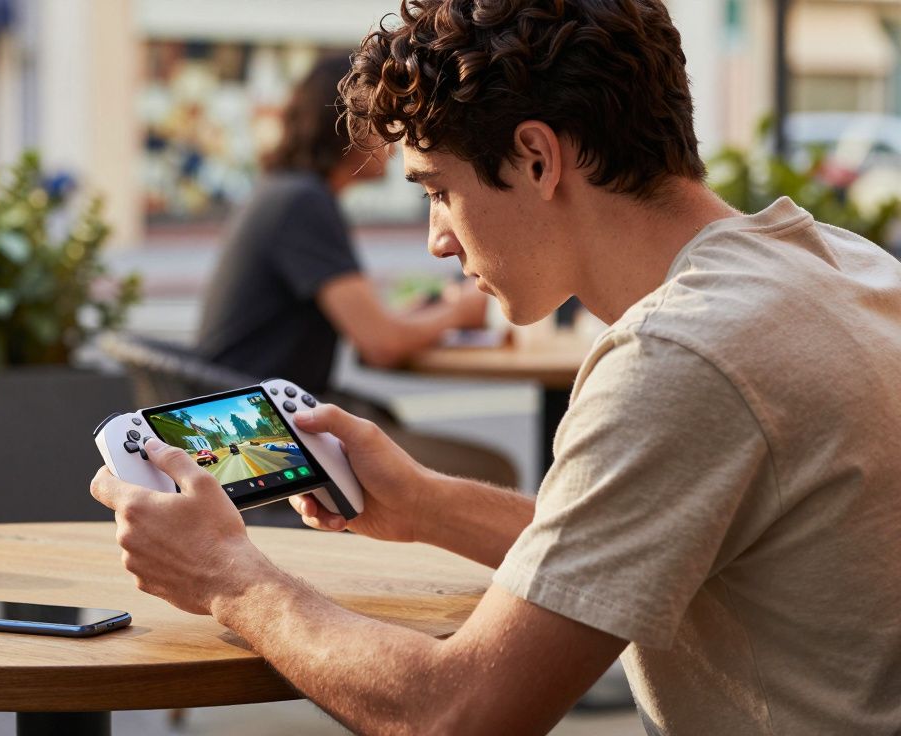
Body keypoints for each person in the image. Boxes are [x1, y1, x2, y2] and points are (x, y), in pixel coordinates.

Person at [92, 1, 901, 733]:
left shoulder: (679, 356)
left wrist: (231, 579)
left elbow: (456, 712)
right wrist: (425, 504)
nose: (438, 240)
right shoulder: (842, 264)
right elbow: (628, 545)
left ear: (537, 158)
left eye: (437, 190)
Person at [196, 55, 487, 394]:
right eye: (384, 121)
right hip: (261, 418)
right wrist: (462, 312)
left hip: (250, 405)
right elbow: (381, 345)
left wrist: (418, 314)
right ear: (348, 124)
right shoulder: (302, 202)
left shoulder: (287, 190)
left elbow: (374, 328)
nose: (393, 141)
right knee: (405, 426)